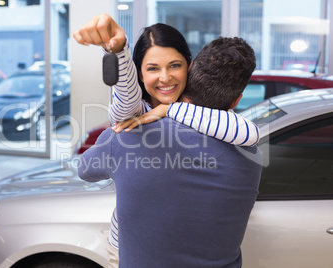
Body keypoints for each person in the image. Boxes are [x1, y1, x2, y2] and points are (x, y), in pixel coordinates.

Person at [74, 14, 260, 267]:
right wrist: (119, 51)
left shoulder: (211, 119)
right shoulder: (133, 116)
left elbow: (248, 132)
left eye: (174, 65)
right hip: (129, 247)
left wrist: (167, 110)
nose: (165, 78)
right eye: (152, 68)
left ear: (190, 67)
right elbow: (124, 102)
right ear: (138, 74)